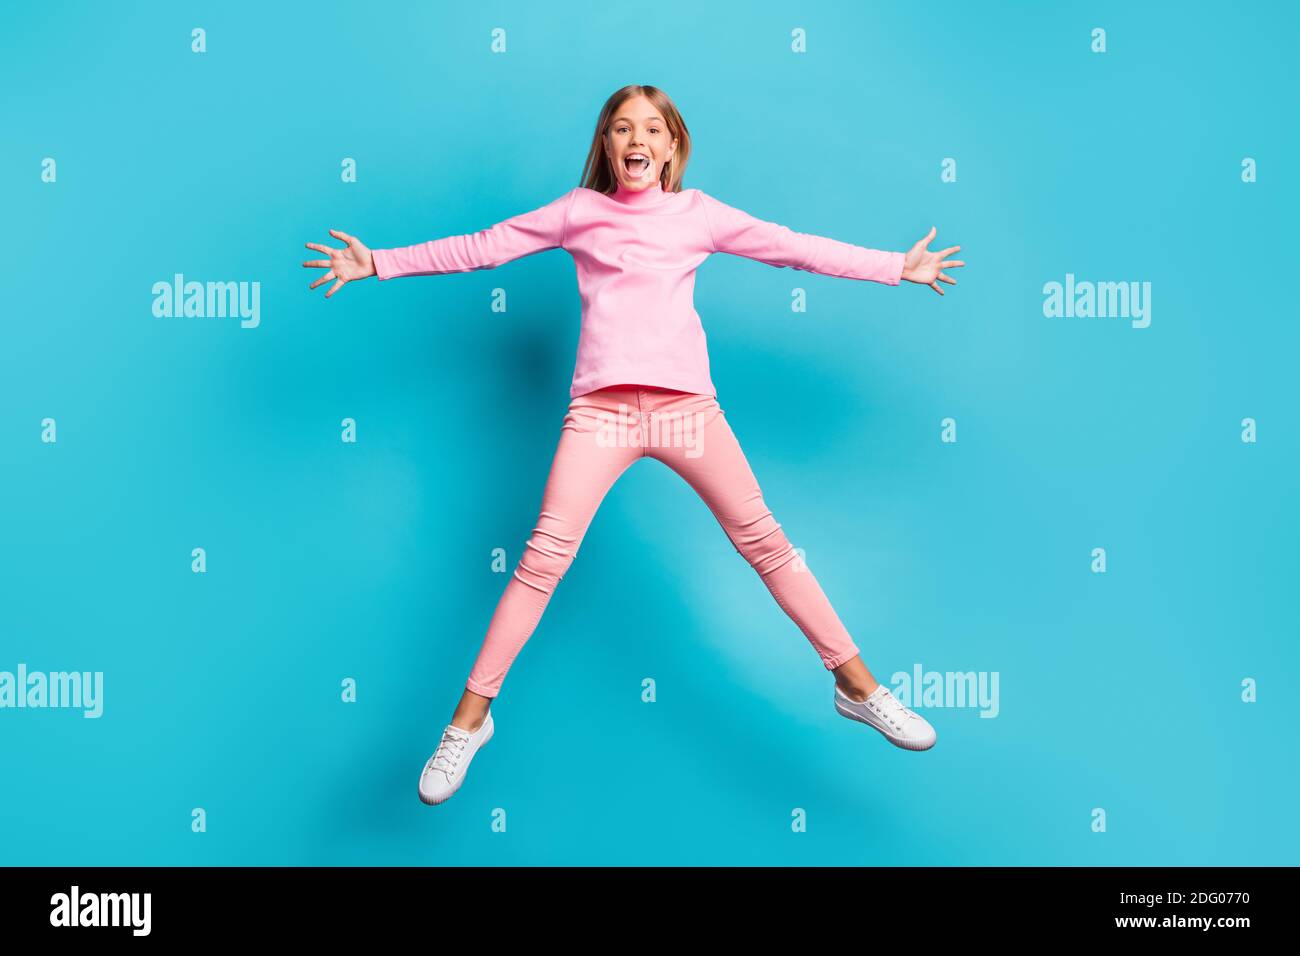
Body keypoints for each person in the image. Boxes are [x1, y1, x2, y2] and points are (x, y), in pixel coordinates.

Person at [302, 85, 966, 806]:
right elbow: (484, 248)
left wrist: (895, 265)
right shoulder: (578, 213)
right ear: (608, 147)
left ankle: (858, 687)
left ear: (673, 146)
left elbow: (791, 248)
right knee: (539, 564)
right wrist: (382, 262)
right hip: (602, 416)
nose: (636, 139)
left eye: (651, 128)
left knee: (769, 546)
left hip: (688, 412)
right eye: (622, 128)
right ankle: (467, 724)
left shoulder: (698, 214)